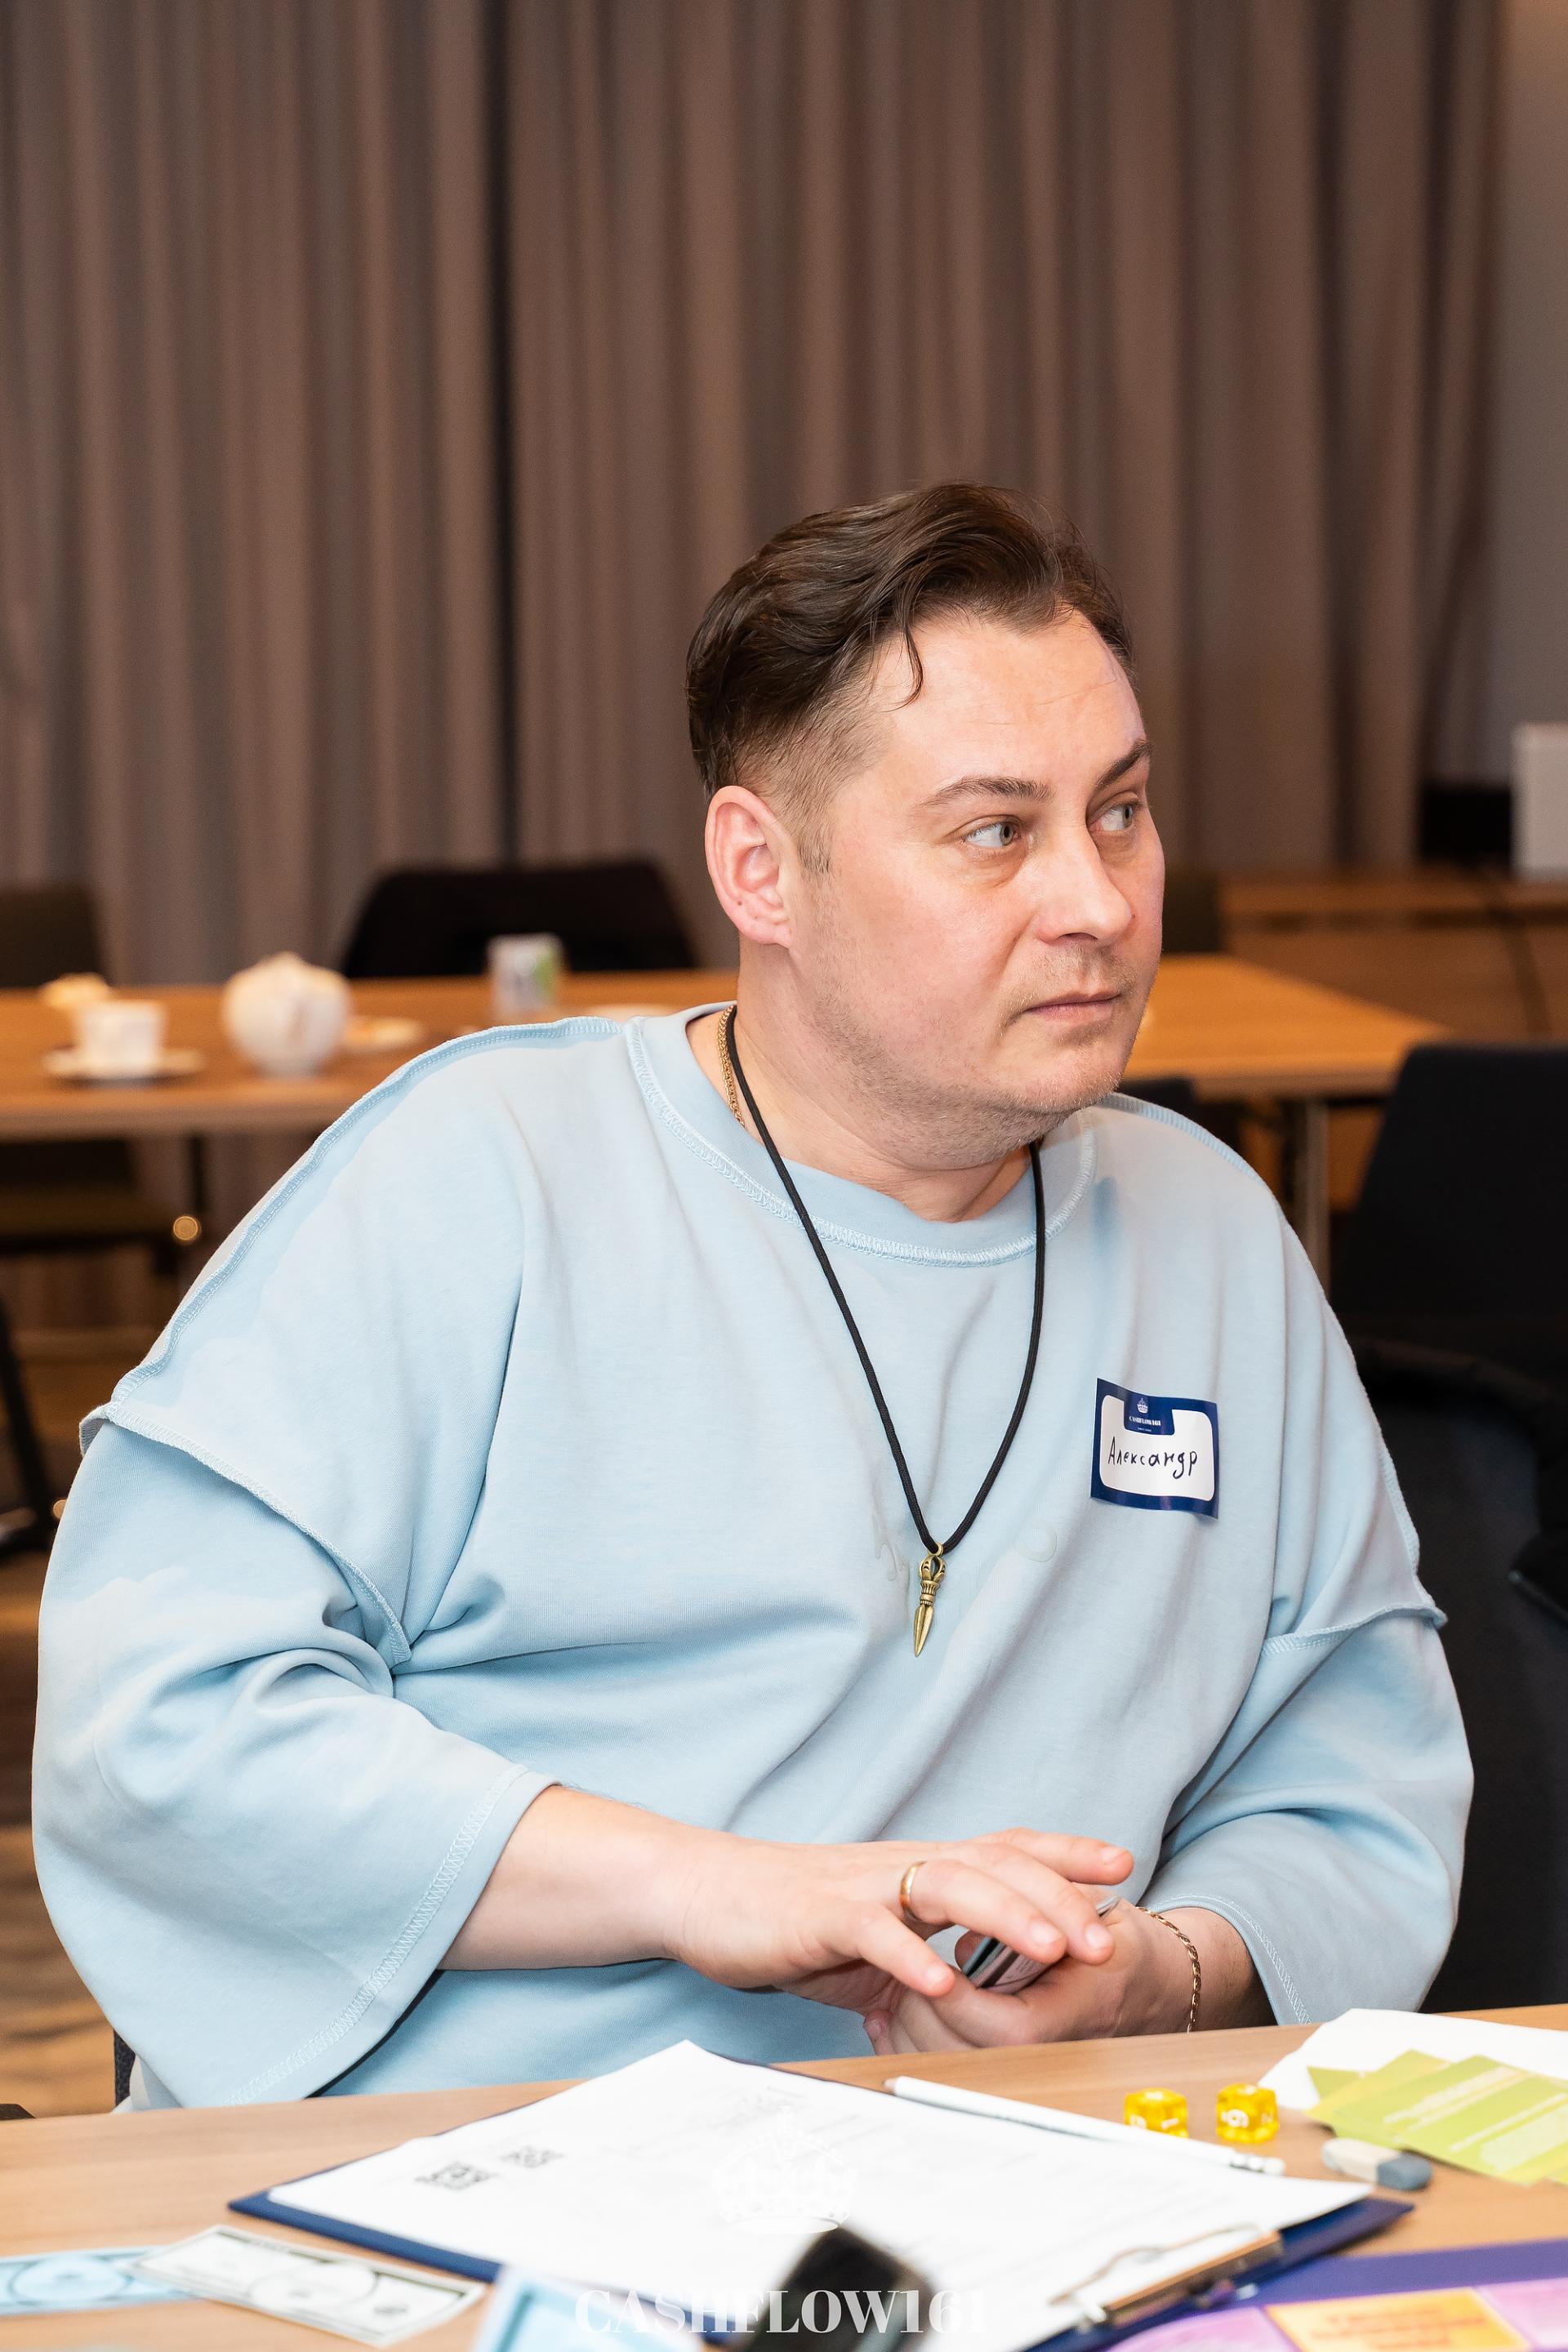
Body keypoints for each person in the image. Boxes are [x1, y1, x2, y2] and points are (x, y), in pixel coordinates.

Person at [34, 484, 1469, 2109]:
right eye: (997, 832)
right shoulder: (480, 1177)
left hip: (1015, 2170)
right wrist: (712, 1887)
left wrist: (1162, 1976)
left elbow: (1355, 1757)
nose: (1100, 902)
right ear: (762, 869)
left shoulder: (1207, 1231)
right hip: (461, 2160)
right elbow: (157, 1722)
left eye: (1121, 811)